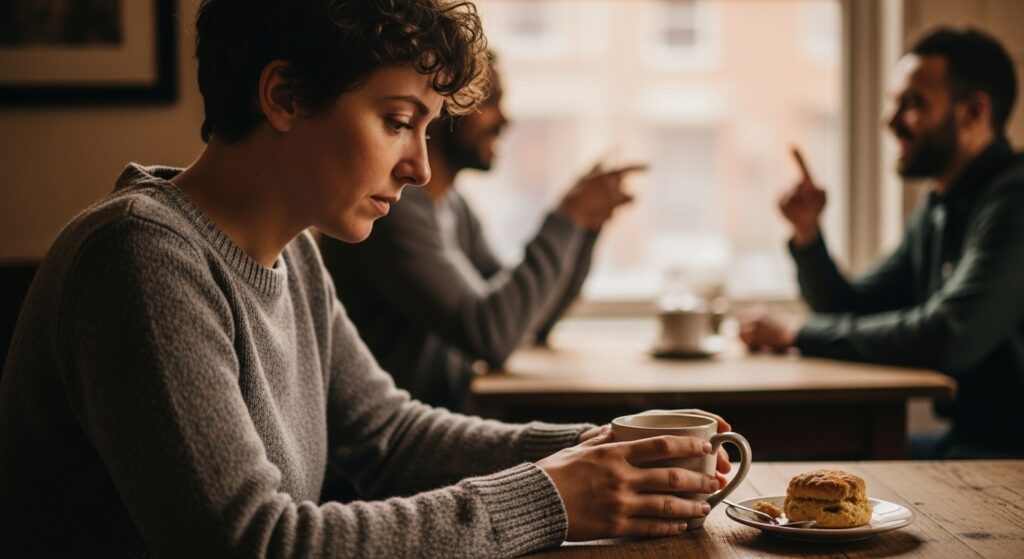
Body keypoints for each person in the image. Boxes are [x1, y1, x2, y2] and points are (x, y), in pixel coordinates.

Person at [0, 1, 732, 556]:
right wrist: (550, 496)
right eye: (397, 119)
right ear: (284, 96)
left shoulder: (296, 255)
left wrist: (603, 448)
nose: (418, 165)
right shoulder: (139, 257)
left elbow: (390, 435)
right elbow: (254, 541)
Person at [740, 28, 1024, 459]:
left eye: (912, 104)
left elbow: (950, 337)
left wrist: (797, 333)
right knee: (818, 462)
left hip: (1006, 455)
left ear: (973, 111)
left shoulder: (1015, 199)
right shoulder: (940, 205)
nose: (888, 121)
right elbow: (847, 306)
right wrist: (808, 234)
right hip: (968, 444)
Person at [320, 54, 643, 410]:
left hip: (445, 419)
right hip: (400, 442)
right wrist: (566, 218)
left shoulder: (453, 206)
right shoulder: (391, 213)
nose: (505, 120)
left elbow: (529, 318)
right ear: (443, 107)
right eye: (489, 101)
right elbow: (493, 334)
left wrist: (584, 227)